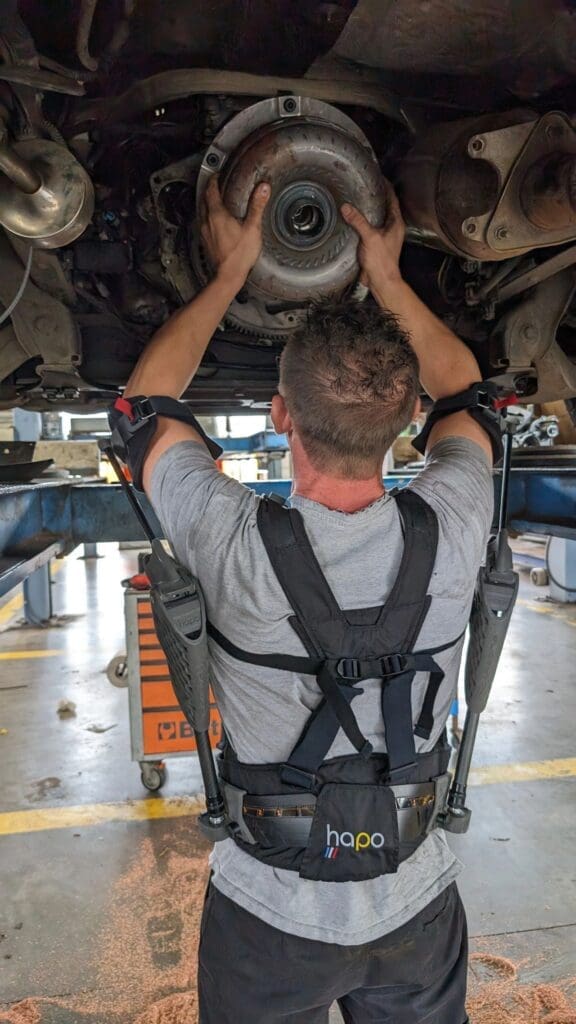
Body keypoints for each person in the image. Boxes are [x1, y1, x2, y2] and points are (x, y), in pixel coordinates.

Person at [120, 175, 494, 1024]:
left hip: (270, 915)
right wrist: (389, 277)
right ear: (405, 418)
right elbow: (468, 394)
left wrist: (229, 271)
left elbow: (142, 408)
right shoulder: (459, 515)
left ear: (280, 413)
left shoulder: (231, 539)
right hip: (415, 902)